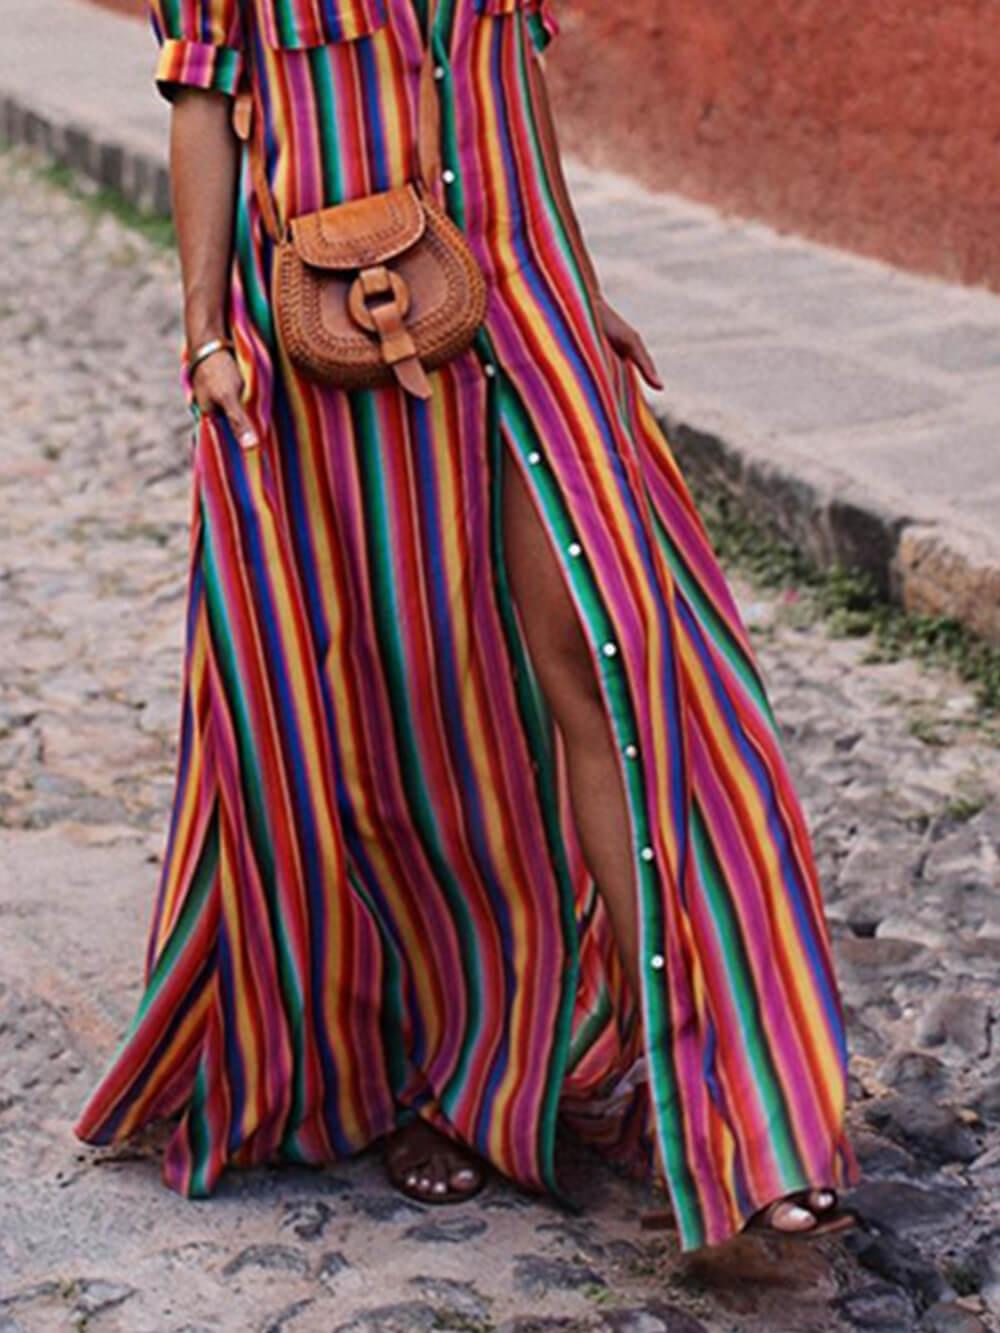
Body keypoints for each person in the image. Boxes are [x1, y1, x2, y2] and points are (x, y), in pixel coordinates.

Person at [75, 0, 859, 1252]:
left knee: (619, 660)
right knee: (420, 723)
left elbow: (514, 84)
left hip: (528, 311)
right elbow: (206, 105)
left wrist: (583, 288)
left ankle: (730, 1110)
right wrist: (205, 331)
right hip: (340, 346)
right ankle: (447, 1071)